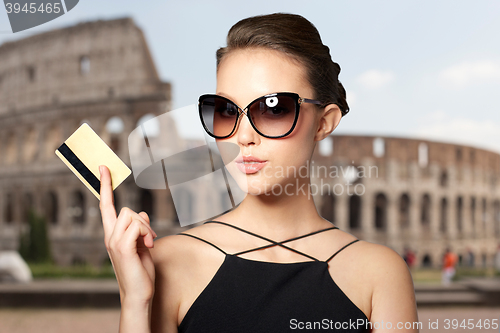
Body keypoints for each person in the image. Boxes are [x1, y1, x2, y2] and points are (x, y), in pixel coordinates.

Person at [98, 13, 419, 332]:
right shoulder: (168, 262)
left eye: (274, 107)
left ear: (324, 123)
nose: (242, 135)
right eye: (225, 111)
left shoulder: (380, 273)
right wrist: (135, 301)